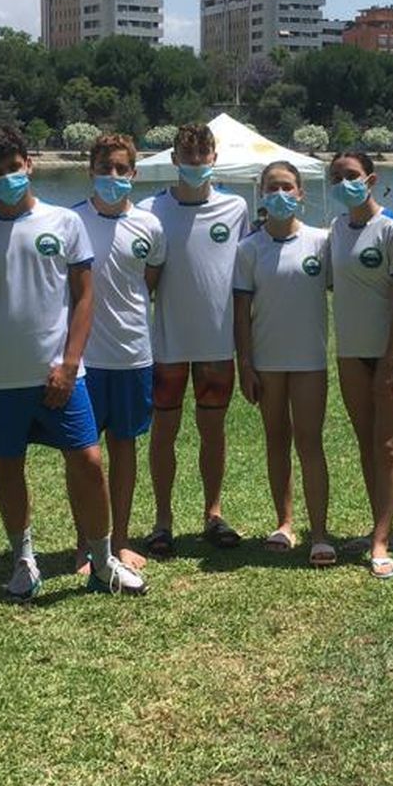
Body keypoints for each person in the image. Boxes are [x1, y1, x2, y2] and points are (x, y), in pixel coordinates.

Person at [0, 123, 144, 598]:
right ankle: (24, 561)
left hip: (61, 373)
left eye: (13, 167)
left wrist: (69, 363)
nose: (6, 177)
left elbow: (84, 298)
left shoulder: (65, 222)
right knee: (8, 466)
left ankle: (102, 562)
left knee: (88, 459)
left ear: (29, 164)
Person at [137, 124, 251, 556]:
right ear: (174, 161)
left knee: (213, 432)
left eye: (202, 159)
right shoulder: (150, 210)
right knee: (164, 431)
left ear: (214, 160)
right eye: (188, 159)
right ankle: (162, 521)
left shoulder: (235, 207)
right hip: (166, 343)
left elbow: (244, 277)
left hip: (217, 345)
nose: (196, 166)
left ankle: (213, 513)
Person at [72, 133, 166, 574]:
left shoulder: (149, 226)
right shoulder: (69, 223)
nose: (112, 176)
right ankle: (87, 546)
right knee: (83, 456)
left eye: (121, 169)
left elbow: (148, 281)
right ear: (90, 169)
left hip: (133, 355)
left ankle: (121, 541)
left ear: (134, 173)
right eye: (104, 167)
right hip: (83, 361)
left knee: (124, 449)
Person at [232, 161, 334, 566]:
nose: (279, 194)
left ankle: (320, 532)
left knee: (310, 442)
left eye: (287, 187)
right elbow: (241, 312)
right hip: (267, 361)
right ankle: (285, 522)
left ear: (300, 193)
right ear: (261, 193)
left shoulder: (321, 243)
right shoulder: (248, 249)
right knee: (276, 439)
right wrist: (246, 363)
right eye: (271, 187)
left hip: (309, 360)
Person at [326, 150, 393, 581]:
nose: (344, 182)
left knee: (389, 445)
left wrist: (388, 359)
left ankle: (382, 540)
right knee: (366, 442)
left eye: (352, 176)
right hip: (350, 352)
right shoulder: (335, 229)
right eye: (336, 177)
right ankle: (378, 526)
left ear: (371, 179)